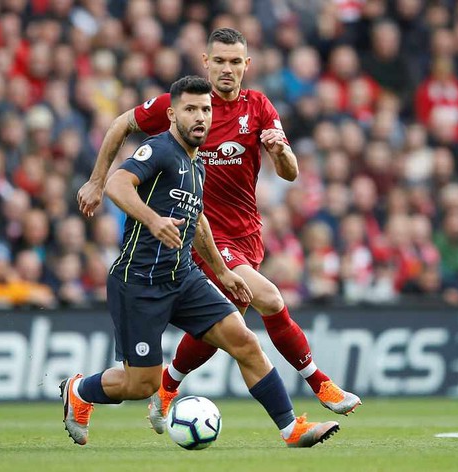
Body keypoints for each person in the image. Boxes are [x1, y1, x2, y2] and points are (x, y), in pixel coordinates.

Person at [77, 28, 361, 432]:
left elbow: (290, 173)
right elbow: (122, 124)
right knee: (270, 299)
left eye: (235, 62)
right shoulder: (185, 105)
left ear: (247, 65)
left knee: (229, 327)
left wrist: (280, 151)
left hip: (244, 235)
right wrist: (96, 179)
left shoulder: (259, 106)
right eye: (220, 61)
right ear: (206, 63)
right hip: (200, 239)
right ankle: (319, 385)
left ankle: (168, 385)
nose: (227, 70)